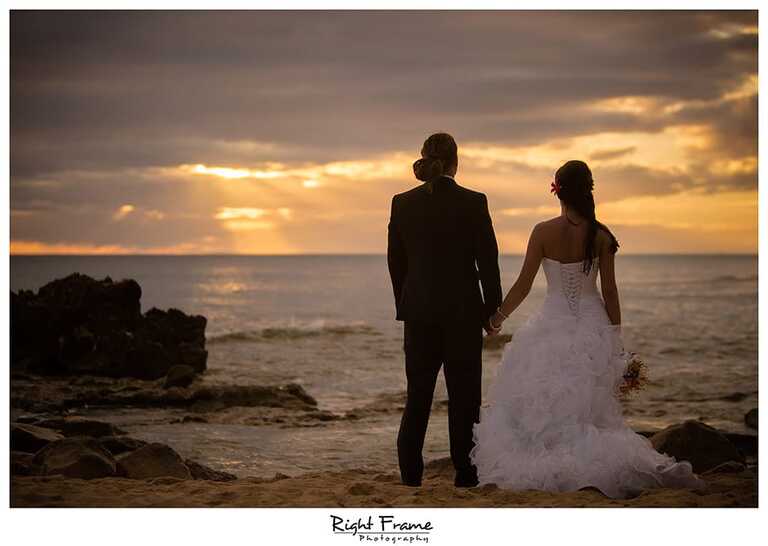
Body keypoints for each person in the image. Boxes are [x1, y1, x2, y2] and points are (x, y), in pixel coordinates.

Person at [469, 159, 705, 498]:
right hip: (591, 327)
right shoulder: (601, 236)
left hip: (550, 324)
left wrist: (497, 319)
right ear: (588, 189)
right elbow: (609, 291)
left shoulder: (541, 231)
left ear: (557, 190)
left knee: (545, 399)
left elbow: (523, 284)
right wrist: (615, 337)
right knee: (589, 410)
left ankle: (549, 458)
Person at [387, 132, 502, 487]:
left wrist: (404, 304)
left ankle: (410, 479)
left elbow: (396, 263)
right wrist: (491, 313)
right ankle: (465, 476)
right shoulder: (473, 201)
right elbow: (488, 262)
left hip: (418, 316)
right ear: (456, 162)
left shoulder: (402, 203)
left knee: (417, 399)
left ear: (425, 158)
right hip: (463, 315)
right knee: (464, 401)